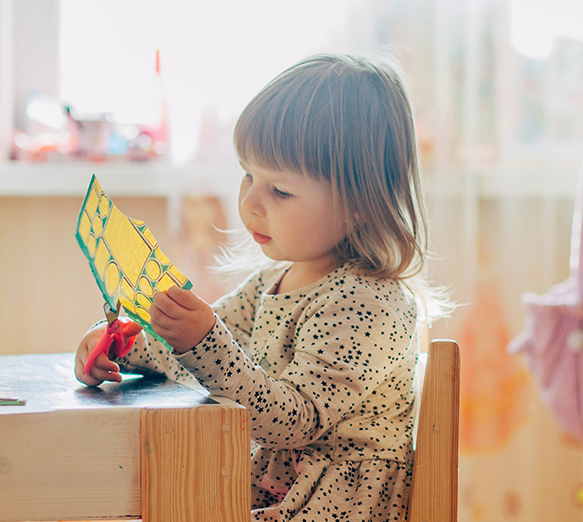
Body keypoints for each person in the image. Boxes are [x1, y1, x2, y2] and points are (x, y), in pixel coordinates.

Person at [75, 53, 449, 522]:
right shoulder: (272, 283)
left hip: (327, 505)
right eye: (248, 175)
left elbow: (293, 420)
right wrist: (128, 345)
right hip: (273, 492)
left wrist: (202, 340)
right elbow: (204, 359)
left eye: (280, 191)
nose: (249, 202)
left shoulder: (369, 303)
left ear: (359, 203)